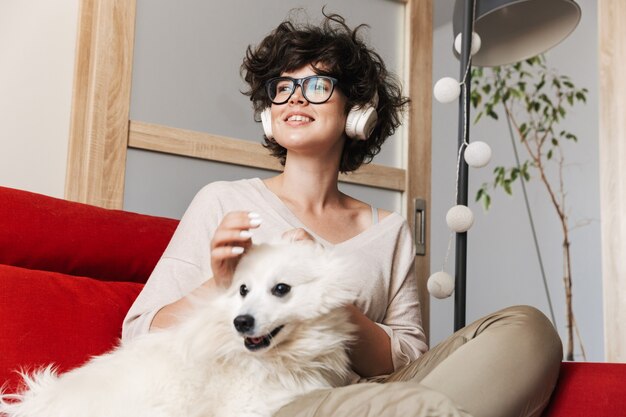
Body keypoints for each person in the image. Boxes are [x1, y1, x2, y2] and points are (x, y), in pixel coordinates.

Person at [123, 10, 562, 417]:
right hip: (278, 397)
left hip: (381, 393)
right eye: (282, 87)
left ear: (358, 113)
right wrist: (221, 286)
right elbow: (141, 332)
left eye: (316, 86)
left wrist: (327, 291)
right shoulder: (223, 201)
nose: (295, 98)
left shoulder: (389, 230)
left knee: (528, 328)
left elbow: (409, 357)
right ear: (269, 114)